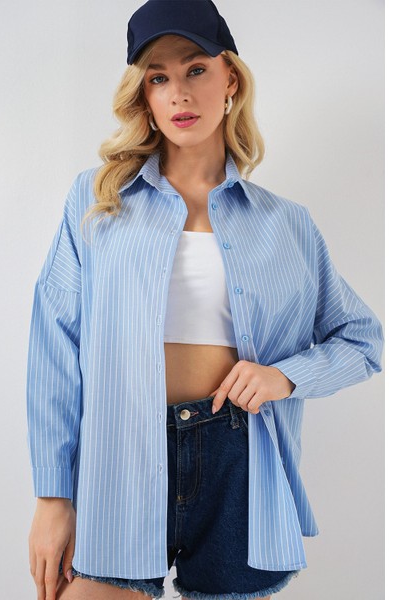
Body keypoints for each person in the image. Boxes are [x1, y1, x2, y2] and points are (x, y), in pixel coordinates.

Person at [26, 1, 384, 599]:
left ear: (230, 79)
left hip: (237, 461)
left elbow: (362, 340)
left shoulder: (286, 224)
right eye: (158, 78)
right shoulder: (96, 201)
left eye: (196, 69)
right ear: (143, 96)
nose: (179, 94)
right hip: (120, 460)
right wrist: (52, 496)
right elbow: (54, 346)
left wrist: (284, 377)